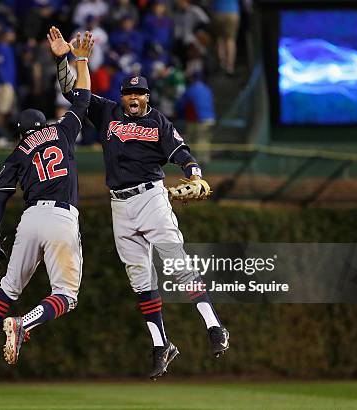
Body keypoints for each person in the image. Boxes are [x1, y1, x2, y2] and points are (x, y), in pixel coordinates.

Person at [48, 26, 229, 380]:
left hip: (151, 197)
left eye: (140, 93)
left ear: (147, 97)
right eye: (129, 92)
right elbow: (74, 92)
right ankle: (161, 345)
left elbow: (182, 153)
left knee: (176, 265)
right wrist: (63, 59)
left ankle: (214, 327)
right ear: (122, 95)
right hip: (120, 204)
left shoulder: (158, 121)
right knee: (139, 278)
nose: (134, 97)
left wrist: (195, 173)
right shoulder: (108, 112)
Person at [0, 32, 94, 375]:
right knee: (66, 295)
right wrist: (78, 60)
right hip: (62, 217)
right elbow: (82, 100)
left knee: (7, 289)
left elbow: (0, 195)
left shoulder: (17, 153)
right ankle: (24, 324)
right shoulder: (62, 130)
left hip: (30, 219)